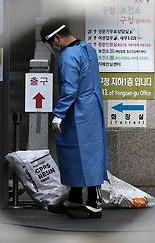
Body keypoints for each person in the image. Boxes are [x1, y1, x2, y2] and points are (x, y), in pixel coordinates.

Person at [39, 19, 108, 219]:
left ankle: (94, 203)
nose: (53, 47)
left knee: (79, 155)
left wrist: (58, 114)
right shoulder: (89, 49)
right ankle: (75, 196)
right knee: (90, 153)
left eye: (51, 43)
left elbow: (70, 89)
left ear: (57, 38)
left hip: (75, 111)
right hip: (92, 110)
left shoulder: (68, 57)